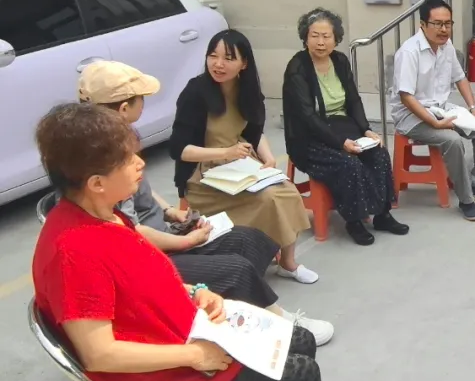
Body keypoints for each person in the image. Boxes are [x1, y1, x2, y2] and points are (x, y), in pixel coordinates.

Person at [33, 103, 393, 381]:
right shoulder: (75, 252)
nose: (140, 164)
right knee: (298, 372)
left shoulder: (103, 214)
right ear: (96, 182)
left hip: (177, 339)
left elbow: (137, 276)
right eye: (126, 160)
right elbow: (100, 354)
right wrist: (195, 355)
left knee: (299, 339)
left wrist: (194, 292)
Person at [77, 61, 334, 345]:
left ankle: (237, 308)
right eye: (142, 99)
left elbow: (141, 192)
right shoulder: (106, 160)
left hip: (162, 233)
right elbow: (129, 233)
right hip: (150, 257)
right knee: (237, 268)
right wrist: (186, 241)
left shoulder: (115, 144)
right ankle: (282, 327)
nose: (220, 64)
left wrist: (169, 211)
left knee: (250, 239)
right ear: (125, 108)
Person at [171, 30, 317, 283]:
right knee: (268, 198)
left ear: (244, 63)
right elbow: (179, 149)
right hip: (202, 175)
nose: (218, 64)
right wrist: (225, 152)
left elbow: (254, 134)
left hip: (239, 165)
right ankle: (258, 257)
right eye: (213, 56)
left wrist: (268, 158)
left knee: (287, 190)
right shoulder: (195, 92)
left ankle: (287, 262)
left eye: (228, 58)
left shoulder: (248, 92)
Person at [282, 8, 408, 246]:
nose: (320, 42)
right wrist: (340, 143)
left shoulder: (340, 61)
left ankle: (382, 214)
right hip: (309, 137)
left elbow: (353, 100)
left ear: (336, 38)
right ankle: (354, 220)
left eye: (326, 36)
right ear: (305, 37)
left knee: (378, 153)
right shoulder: (297, 67)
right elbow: (307, 116)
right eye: (314, 36)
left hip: (343, 126)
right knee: (349, 163)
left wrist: (366, 130)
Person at [390, 0, 475, 222]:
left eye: (447, 23)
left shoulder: (447, 46)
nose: (443, 29)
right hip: (411, 115)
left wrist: (474, 108)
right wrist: (434, 123)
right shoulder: (409, 52)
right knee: (452, 140)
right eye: (437, 24)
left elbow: (460, 77)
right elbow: (406, 97)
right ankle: (466, 200)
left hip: (440, 108)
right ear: (423, 25)